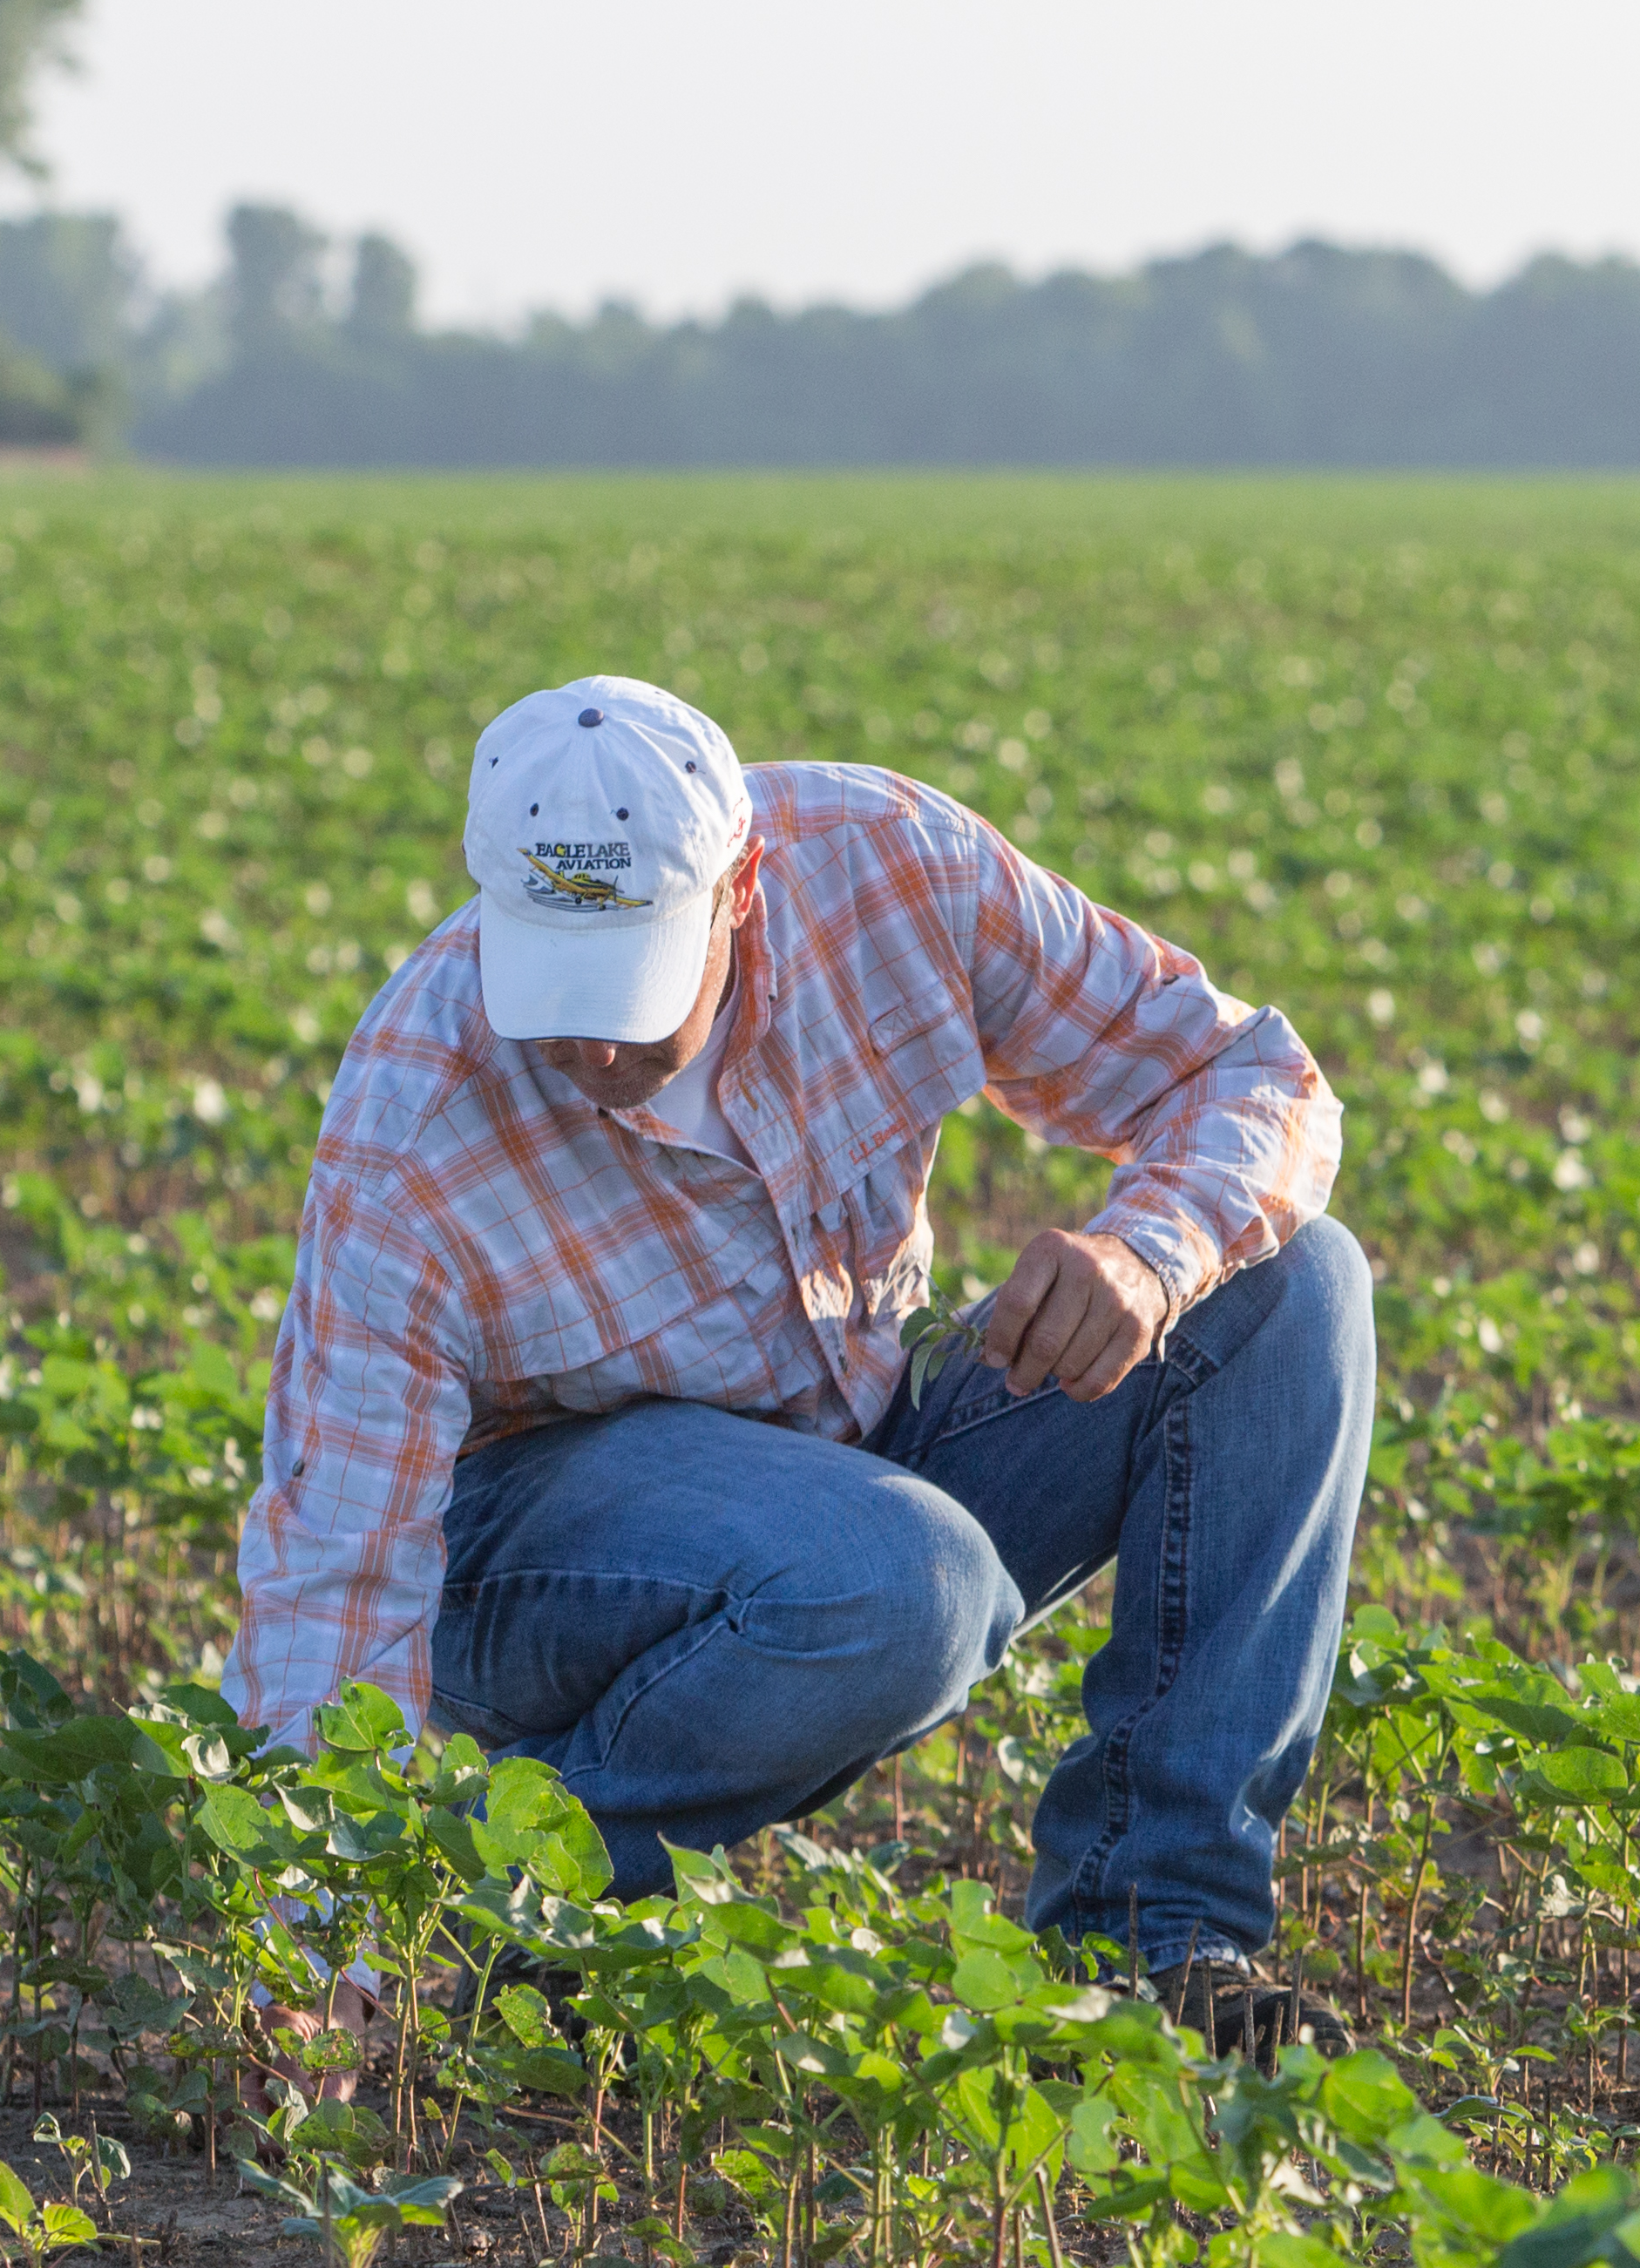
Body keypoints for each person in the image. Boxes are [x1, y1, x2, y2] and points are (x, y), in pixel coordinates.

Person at [229, 675, 1371, 2055]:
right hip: (545, 1555)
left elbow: (1256, 1074)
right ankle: (491, 1924)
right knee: (901, 1580)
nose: (592, 1045)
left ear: (741, 887)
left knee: (1292, 1286)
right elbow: (337, 1553)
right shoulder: (414, 1123)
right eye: (555, 989)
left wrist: (1147, 1251)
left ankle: (1159, 1937)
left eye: (633, 992)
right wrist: (326, 1933)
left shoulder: (891, 870)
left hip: (860, 1450)